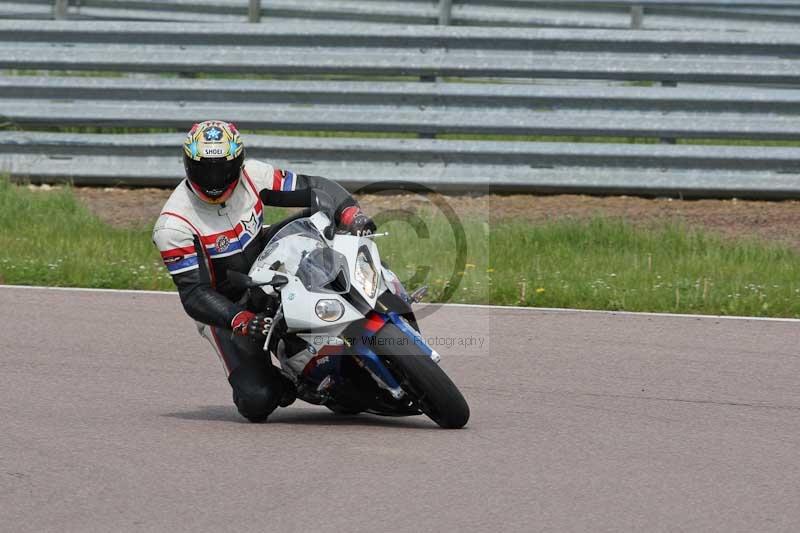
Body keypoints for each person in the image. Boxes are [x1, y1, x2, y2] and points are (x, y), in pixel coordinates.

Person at [153, 120, 375, 422]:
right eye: (205, 169)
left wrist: (352, 214)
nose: (214, 180)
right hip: (227, 309)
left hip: (270, 264)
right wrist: (239, 319)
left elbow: (315, 187)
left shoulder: (253, 175)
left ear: (239, 161)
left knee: (324, 214)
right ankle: (291, 380)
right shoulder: (173, 225)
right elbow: (194, 294)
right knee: (258, 401)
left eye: (223, 169)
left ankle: (374, 290)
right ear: (188, 164)